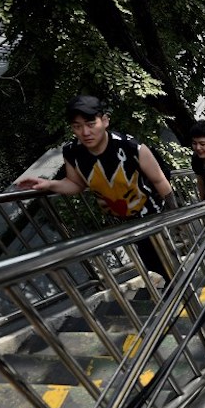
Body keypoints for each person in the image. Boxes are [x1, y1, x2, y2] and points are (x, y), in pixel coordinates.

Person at [17, 95, 176, 282]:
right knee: (149, 258)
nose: (85, 132)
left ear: (105, 121)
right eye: (77, 126)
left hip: (152, 215)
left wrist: (175, 214)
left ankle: (178, 286)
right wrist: (50, 184)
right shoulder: (73, 152)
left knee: (163, 255)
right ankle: (170, 285)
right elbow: (76, 184)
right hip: (123, 219)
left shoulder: (130, 147)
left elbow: (159, 180)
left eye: (91, 124)